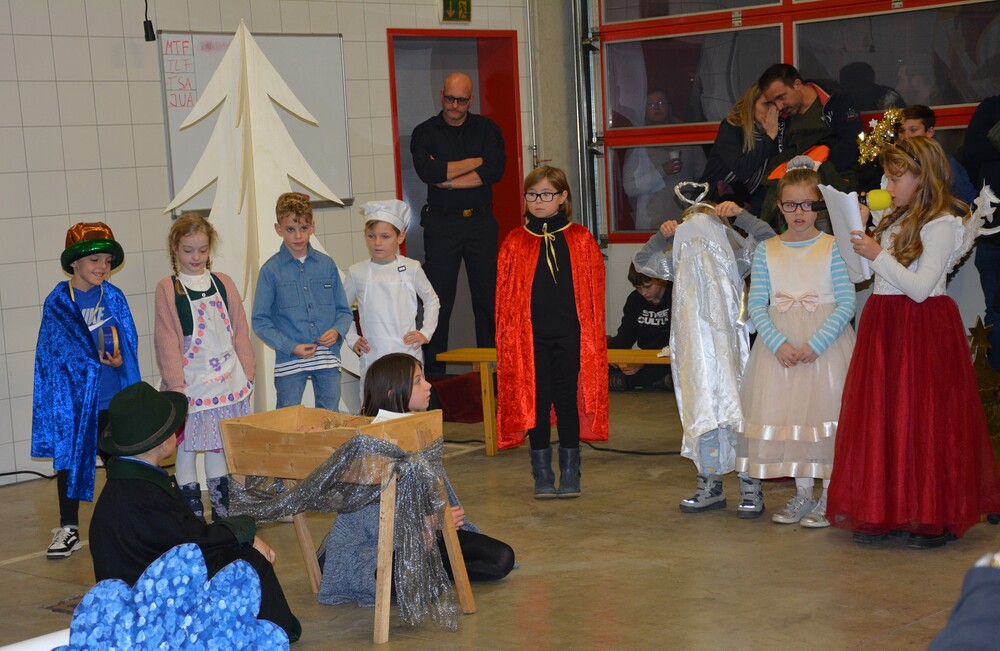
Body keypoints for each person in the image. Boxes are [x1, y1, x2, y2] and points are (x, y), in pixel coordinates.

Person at [827, 137, 1000, 548]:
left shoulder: (940, 223)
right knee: (886, 417)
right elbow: (859, 276)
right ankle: (888, 510)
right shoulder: (892, 218)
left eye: (895, 178)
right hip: (884, 324)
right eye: (886, 177)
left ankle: (931, 514)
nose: (887, 185)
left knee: (923, 419)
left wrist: (877, 253)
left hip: (921, 327)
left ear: (923, 178)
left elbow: (921, 288)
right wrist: (855, 233)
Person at [88, 381, 300, 642]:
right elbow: (193, 544)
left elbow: (181, 539)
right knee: (248, 560)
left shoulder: (125, 485)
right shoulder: (143, 496)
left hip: (140, 601)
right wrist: (244, 533)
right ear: (161, 442)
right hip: (156, 616)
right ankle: (275, 634)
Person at [319, 353, 514, 606]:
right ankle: (423, 570)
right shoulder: (367, 442)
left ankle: (429, 567)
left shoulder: (421, 428)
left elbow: (434, 491)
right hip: (375, 547)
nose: (428, 385)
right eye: (418, 381)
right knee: (410, 583)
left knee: (501, 559)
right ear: (393, 392)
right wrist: (426, 525)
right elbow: (366, 518)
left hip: (429, 534)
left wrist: (438, 522)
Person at [633, 186, 776, 517]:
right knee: (702, 411)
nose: (698, 236)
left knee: (736, 410)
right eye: (689, 228)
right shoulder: (678, 260)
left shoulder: (737, 257)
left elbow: (769, 240)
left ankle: (750, 484)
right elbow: (642, 261)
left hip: (731, 348)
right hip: (693, 349)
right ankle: (710, 482)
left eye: (706, 225)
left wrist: (741, 216)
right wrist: (661, 237)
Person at [737, 161, 857, 527]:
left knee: (825, 420)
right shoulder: (766, 250)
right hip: (780, 351)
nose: (799, 212)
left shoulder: (833, 247)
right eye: (790, 204)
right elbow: (757, 305)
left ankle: (829, 496)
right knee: (792, 422)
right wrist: (777, 343)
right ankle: (803, 494)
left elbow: (847, 302)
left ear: (819, 206)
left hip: (826, 350)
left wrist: (817, 343)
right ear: (779, 206)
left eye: (807, 204)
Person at [496, 165, 608, 499]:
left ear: (562, 197)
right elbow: (505, 299)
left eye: (546, 194)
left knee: (566, 399)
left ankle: (571, 471)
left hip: (570, 335)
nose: (538, 201)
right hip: (530, 339)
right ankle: (542, 473)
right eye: (532, 194)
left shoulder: (581, 239)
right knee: (538, 401)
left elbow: (594, 295)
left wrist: (589, 335)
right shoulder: (515, 242)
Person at [31, 222, 141, 559]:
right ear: (74, 263)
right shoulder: (59, 302)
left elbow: (129, 345)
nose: (102, 267)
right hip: (75, 403)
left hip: (111, 398)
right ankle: (69, 528)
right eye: (95, 261)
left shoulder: (114, 298)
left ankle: (128, 522)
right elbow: (51, 355)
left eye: (107, 261)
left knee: (120, 463)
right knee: (69, 463)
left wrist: (119, 362)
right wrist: (86, 362)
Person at [154, 213, 254, 522]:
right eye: (188, 250)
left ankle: (222, 509)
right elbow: (167, 340)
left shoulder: (223, 282)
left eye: (202, 249)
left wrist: (247, 372)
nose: (196, 257)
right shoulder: (168, 288)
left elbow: (240, 329)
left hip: (227, 382)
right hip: (191, 385)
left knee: (217, 447)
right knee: (186, 448)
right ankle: (192, 511)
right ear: (175, 248)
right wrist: (176, 387)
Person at [410, 72, 506, 376]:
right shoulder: (425, 132)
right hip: (442, 225)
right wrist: (475, 162)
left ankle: (492, 374)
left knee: (488, 299)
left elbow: (495, 170)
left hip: (480, 223)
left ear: (471, 99)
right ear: (441, 95)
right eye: (450, 98)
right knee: (438, 301)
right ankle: (434, 379)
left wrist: (449, 181)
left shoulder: (487, 130)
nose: (454, 106)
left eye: (461, 100)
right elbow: (429, 172)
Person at [252, 192, 353, 411]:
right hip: (289, 361)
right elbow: (260, 321)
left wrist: (337, 332)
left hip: (327, 359)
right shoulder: (270, 270)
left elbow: (344, 312)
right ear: (278, 229)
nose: (298, 236)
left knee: (329, 418)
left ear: (312, 227)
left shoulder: (326, 265)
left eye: (304, 228)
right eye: (290, 229)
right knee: (288, 419)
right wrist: (290, 347)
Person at [345, 200, 440, 401]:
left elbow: (432, 300)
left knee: (409, 404)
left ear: (400, 237)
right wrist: (352, 339)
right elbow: (341, 309)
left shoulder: (412, 268)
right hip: (374, 354)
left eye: (385, 236)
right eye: (371, 236)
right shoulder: (356, 272)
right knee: (376, 406)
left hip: (407, 352)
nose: (377, 242)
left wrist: (425, 333)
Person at [757, 63, 862, 228]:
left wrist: (821, 171)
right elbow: (775, 159)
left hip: (833, 179)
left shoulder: (835, 100)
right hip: (792, 187)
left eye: (781, 97)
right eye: (773, 102)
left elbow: (851, 142)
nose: (779, 106)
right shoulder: (780, 118)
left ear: (797, 84)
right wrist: (771, 136)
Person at [623, 89, 708, 229]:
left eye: (661, 103)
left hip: (687, 222)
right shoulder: (639, 142)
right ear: (644, 111)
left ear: (669, 107)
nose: (657, 108)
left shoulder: (686, 136)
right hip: (653, 226)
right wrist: (662, 171)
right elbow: (630, 187)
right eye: (651, 105)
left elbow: (703, 177)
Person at [699, 83, 779, 213]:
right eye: (766, 104)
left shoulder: (776, 133)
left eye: (776, 106)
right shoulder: (731, 127)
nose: (771, 111)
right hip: (712, 202)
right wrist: (769, 137)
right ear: (751, 105)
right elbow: (742, 169)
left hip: (746, 204)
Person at [964, 95, 1000, 370]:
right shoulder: (991, 107)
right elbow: (972, 151)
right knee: (996, 312)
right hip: (993, 233)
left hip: (991, 233)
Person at [606, 262, 672, 392]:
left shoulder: (676, 297)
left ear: (661, 279)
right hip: (645, 358)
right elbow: (626, 335)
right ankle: (661, 382)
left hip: (667, 359)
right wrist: (615, 355)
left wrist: (644, 362)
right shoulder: (635, 299)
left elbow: (681, 345)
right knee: (602, 363)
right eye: (638, 288)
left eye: (647, 287)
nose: (643, 293)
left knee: (677, 370)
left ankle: (627, 382)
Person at [896, 104, 976, 205]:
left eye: (913, 130)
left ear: (930, 132)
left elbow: (968, 202)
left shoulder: (946, 164)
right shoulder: (899, 159)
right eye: (902, 131)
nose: (906, 136)